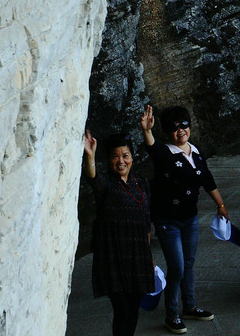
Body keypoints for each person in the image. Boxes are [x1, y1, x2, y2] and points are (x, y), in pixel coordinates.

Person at [140, 105, 229, 334]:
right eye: (174, 127)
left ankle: (189, 306)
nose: (180, 130)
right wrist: (147, 131)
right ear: (166, 132)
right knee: (177, 267)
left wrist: (220, 205)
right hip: (167, 221)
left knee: (188, 264)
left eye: (184, 125)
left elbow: (207, 180)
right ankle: (172, 314)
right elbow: (152, 148)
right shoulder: (165, 153)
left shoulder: (195, 152)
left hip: (190, 219)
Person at [83, 130, 154, 336]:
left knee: (133, 308)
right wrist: (90, 156)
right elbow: (92, 177)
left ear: (132, 158)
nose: (121, 161)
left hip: (138, 256)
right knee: (122, 309)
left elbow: (146, 223)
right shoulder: (106, 183)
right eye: (115, 156)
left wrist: (148, 255)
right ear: (109, 160)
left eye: (125, 155)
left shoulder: (141, 184)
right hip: (113, 256)